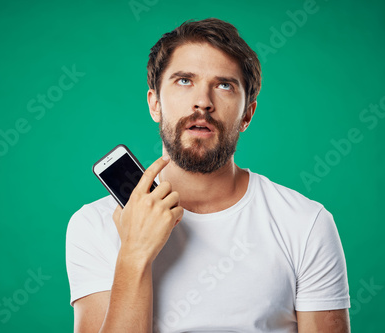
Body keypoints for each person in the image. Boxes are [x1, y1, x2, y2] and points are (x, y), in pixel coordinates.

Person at [66, 18, 350, 333]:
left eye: (224, 85)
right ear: (155, 104)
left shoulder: (306, 223)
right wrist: (133, 254)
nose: (203, 102)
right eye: (184, 80)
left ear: (247, 115)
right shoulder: (94, 224)